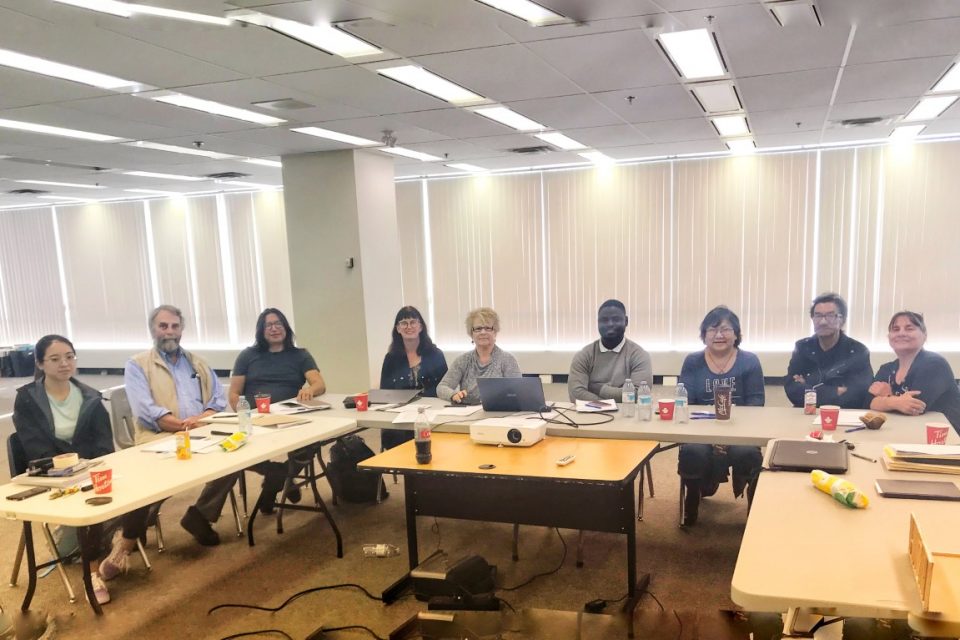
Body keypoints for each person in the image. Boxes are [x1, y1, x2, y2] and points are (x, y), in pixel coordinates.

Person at [13, 335, 150, 605]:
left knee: (145, 489)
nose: (64, 363)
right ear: (40, 363)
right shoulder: (27, 399)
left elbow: (104, 443)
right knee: (92, 502)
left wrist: (92, 466)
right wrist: (71, 468)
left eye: (69, 357)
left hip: (90, 468)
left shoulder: (90, 396)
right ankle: (92, 573)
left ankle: (122, 549)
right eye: (55, 359)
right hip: (50, 476)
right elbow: (35, 447)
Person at [124, 305, 231, 546]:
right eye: (163, 326)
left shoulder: (198, 363)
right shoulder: (137, 365)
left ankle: (200, 516)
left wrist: (201, 419)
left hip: (200, 430)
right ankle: (139, 519)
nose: (169, 331)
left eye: (174, 326)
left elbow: (217, 400)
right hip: (158, 435)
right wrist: (183, 427)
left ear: (181, 329)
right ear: (153, 329)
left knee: (233, 456)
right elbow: (145, 410)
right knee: (174, 467)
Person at [228, 308, 326, 511]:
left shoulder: (300, 355)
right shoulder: (247, 356)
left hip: (290, 418)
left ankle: (274, 483)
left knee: (311, 444)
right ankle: (280, 475)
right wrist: (244, 415)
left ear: (286, 328)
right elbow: (234, 393)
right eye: (268, 325)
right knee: (234, 450)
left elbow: (319, 384)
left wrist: (309, 390)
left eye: (278, 324)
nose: (274, 329)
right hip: (255, 418)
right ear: (261, 331)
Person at [677, 306, 765, 526]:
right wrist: (711, 434)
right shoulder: (693, 361)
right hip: (700, 430)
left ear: (736, 334)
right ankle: (693, 495)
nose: (719, 335)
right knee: (692, 451)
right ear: (704, 334)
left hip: (741, 431)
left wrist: (729, 434)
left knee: (748, 454)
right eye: (712, 329)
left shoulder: (749, 361)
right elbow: (686, 402)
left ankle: (754, 509)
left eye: (725, 329)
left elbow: (756, 403)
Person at [868, 311, 960, 433]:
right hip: (901, 433)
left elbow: (915, 408)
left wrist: (886, 397)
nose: (901, 333)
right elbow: (867, 403)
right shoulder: (886, 369)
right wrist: (895, 402)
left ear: (924, 335)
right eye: (895, 329)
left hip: (942, 438)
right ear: (889, 337)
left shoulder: (935, 364)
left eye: (909, 328)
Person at [784, 293, 873, 409]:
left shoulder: (858, 351)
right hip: (807, 413)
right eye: (818, 316)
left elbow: (858, 395)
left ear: (842, 320)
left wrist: (809, 388)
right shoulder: (803, 347)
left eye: (830, 316)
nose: (823, 322)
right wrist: (836, 391)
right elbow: (792, 390)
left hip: (845, 414)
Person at [379, 306, 448, 448]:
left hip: (431, 413)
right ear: (398, 329)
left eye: (413, 322)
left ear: (420, 327)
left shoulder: (435, 355)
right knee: (395, 436)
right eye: (404, 323)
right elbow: (384, 393)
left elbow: (445, 387)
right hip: (400, 416)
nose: (409, 326)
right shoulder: (391, 358)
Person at [568, 299, 652, 401]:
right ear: (598, 323)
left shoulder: (639, 355)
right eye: (604, 320)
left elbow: (639, 394)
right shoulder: (584, 355)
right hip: (591, 411)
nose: (610, 324)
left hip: (625, 412)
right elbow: (576, 395)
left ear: (626, 321)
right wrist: (609, 403)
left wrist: (599, 389)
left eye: (616, 319)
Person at [437, 307, 520, 405]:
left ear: (495, 332)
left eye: (488, 328)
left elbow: (518, 391)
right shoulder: (462, 360)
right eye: (478, 329)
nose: (483, 332)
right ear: (471, 334)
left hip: (498, 410)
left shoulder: (508, 360)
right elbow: (442, 387)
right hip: (468, 411)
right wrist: (453, 394)